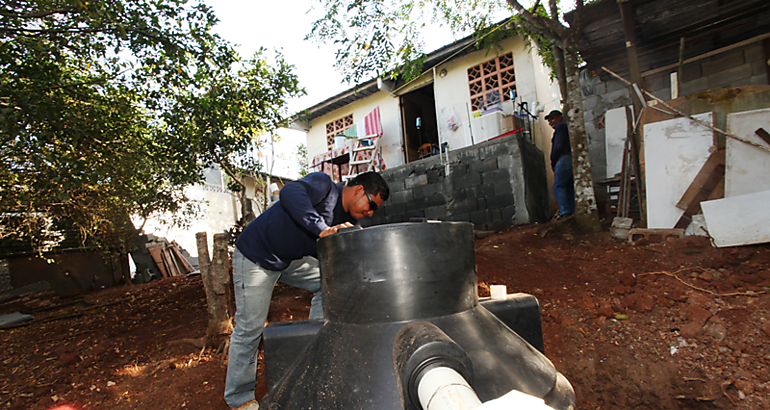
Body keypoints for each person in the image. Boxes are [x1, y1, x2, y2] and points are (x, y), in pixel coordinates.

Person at [224, 171, 389, 410]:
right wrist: (322, 228)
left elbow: (348, 262)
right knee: (250, 328)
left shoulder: (350, 224)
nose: (371, 212)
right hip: (256, 255)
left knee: (328, 281)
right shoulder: (324, 186)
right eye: (371, 204)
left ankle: (312, 355)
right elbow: (289, 192)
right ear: (358, 190)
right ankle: (240, 399)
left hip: (289, 260)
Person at [545, 110, 575, 218]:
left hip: (563, 158)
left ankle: (565, 212)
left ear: (560, 117)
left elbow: (558, 145)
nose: (550, 122)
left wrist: (553, 161)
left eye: (552, 119)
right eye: (549, 120)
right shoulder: (565, 127)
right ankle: (572, 211)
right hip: (570, 158)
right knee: (568, 187)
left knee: (558, 186)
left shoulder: (561, 127)